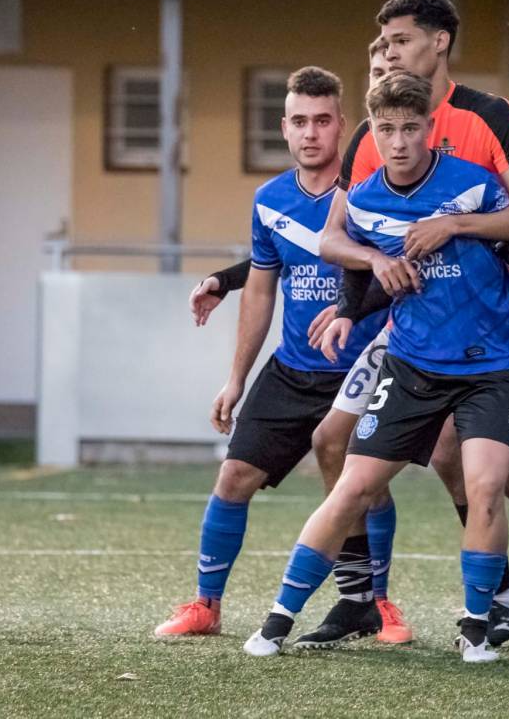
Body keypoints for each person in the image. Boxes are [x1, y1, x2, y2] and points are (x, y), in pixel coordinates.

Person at [244, 72, 509, 662]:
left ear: (429, 129)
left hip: (491, 366)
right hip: (412, 366)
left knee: (486, 486)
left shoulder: (473, 185)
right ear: (372, 133)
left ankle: (478, 628)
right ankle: (277, 620)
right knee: (353, 486)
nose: (399, 141)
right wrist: (347, 310)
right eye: (387, 130)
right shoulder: (364, 200)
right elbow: (358, 265)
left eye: (410, 128)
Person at [313, 0, 509, 651]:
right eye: (383, 43)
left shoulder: (489, 114)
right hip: (411, 327)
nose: (388, 51)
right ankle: (483, 602)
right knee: (381, 448)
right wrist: (360, 285)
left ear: (440, 42)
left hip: (498, 325)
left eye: (400, 39)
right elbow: (339, 234)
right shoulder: (373, 133)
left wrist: (456, 225)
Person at [154, 67, 390, 638]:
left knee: (363, 486)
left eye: (322, 121)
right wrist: (236, 379)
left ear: (342, 126)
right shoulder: (270, 200)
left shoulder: (372, 192)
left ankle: (376, 605)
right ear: (284, 128)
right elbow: (262, 288)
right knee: (234, 475)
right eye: (299, 122)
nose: (311, 133)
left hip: (363, 366)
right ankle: (206, 606)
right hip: (293, 369)